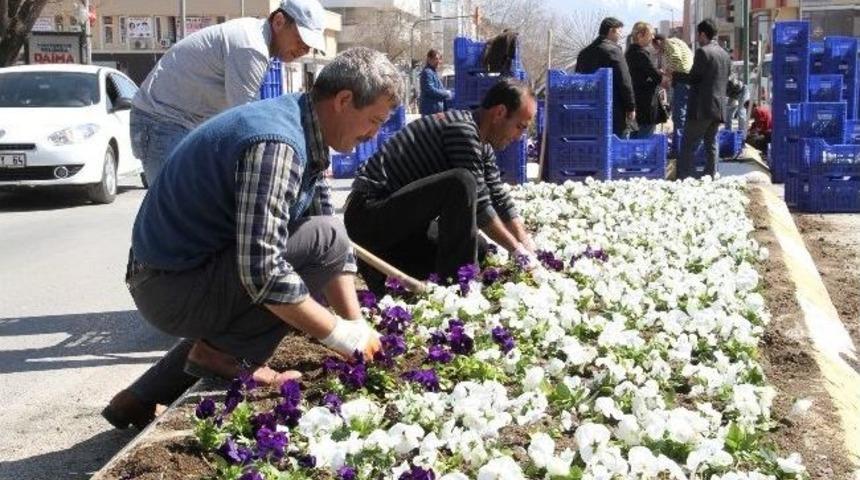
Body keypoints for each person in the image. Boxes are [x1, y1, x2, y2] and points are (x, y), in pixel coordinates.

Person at [102, 47, 398, 431]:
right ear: (344, 101)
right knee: (288, 274)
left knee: (319, 240)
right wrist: (341, 338)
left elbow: (331, 235)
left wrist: (358, 328)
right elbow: (263, 271)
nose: (373, 134)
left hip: (183, 274)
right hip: (169, 286)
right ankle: (226, 360)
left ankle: (141, 396)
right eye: (373, 120)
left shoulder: (301, 123)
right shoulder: (278, 145)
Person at [344, 78, 537, 295]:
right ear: (499, 113)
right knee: (461, 183)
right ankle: (457, 289)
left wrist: (526, 245)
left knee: (479, 248)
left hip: (400, 228)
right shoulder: (461, 130)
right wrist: (517, 250)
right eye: (520, 126)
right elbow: (482, 206)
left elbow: (499, 198)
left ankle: (387, 271)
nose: (521, 137)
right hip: (368, 218)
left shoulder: (483, 146)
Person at [131, 0, 326, 185]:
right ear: (279, 22)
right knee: (173, 209)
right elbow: (245, 122)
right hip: (161, 121)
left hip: (185, 123)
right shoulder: (251, 46)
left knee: (194, 207)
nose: (304, 49)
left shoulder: (257, 39)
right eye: (301, 39)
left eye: (310, 46)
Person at [672, 19, 731, 179]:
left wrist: (674, 75)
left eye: (698, 35)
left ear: (703, 34)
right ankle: (711, 175)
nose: (697, 39)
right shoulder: (724, 54)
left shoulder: (703, 52)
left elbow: (693, 78)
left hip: (702, 108)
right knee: (711, 143)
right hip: (718, 108)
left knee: (688, 144)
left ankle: (685, 178)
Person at [575, 17, 636, 138]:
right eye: (619, 31)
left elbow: (577, 80)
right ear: (611, 31)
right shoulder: (613, 51)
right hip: (613, 109)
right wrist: (631, 106)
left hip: (589, 109)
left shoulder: (583, 53)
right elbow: (624, 80)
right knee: (614, 146)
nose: (620, 35)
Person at [625, 22, 665, 139]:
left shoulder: (630, 53)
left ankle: (633, 157)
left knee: (635, 138)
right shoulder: (640, 54)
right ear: (640, 35)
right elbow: (656, 77)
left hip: (638, 103)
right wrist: (659, 75)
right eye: (650, 34)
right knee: (643, 141)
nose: (653, 37)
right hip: (646, 105)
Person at [652, 34, 694, 142]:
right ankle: (682, 140)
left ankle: (679, 144)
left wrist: (667, 73)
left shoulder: (669, 44)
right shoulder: (676, 41)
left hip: (682, 78)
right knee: (683, 112)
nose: (656, 49)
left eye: (656, 46)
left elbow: (676, 58)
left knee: (679, 114)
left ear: (659, 41)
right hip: (687, 78)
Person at [419, 49, 452, 115]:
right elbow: (430, 90)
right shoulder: (427, 72)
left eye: (439, 59)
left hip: (436, 112)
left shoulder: (433, 72)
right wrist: (446, 93)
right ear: (429, 59)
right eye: (436, 59)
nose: (438, 61)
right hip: (430, 112)